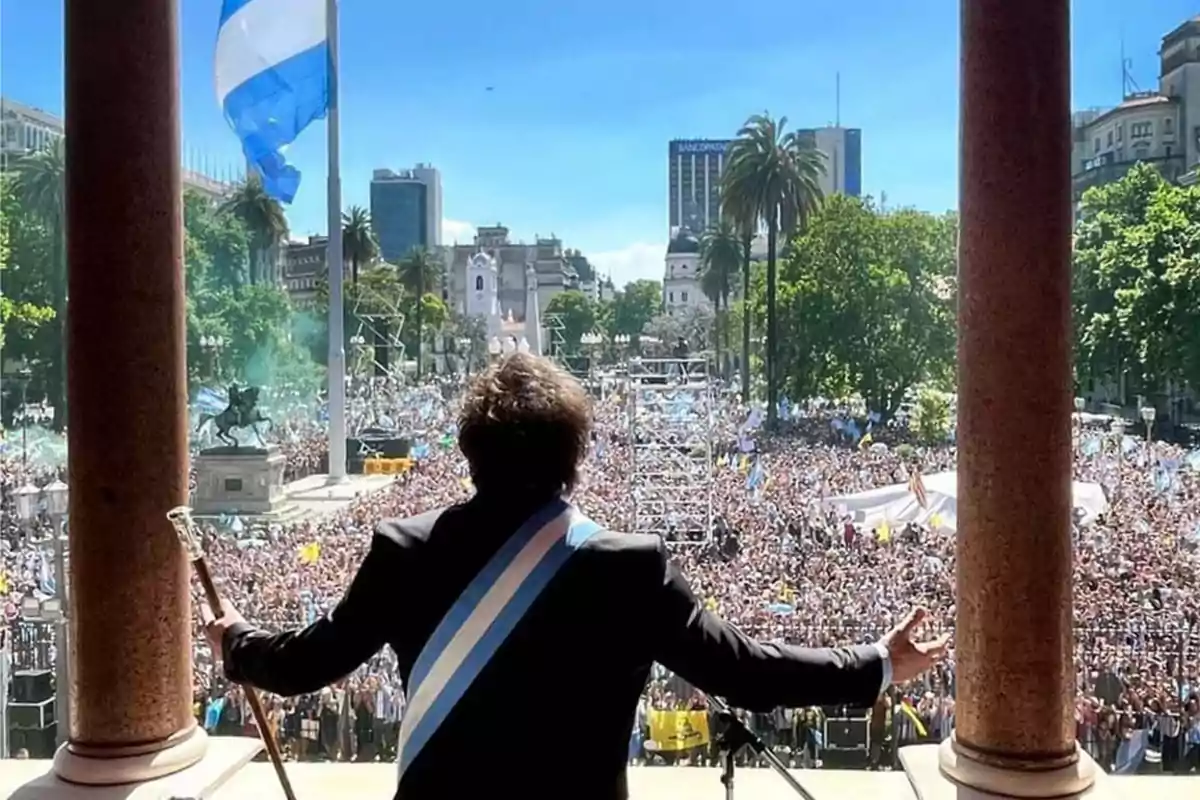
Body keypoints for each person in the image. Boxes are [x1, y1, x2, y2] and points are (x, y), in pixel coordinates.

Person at [203, 353, 949, 799]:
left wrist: (237, 641)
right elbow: (745, 671)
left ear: (468, 451)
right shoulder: (628, 569)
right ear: (575, 457)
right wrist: (877, 665)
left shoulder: (405, 550)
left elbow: (306, 664)